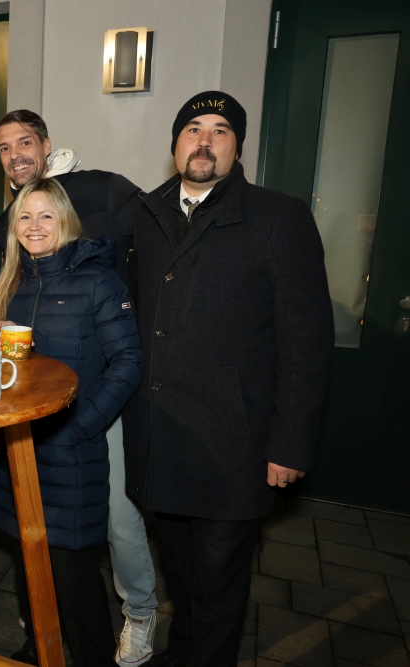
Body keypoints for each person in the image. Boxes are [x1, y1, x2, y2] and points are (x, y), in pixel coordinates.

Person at [125, 91, 333, 667]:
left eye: (220, 130)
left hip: (232, 445)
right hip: (163, 436)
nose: (204, 141)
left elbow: (306, 344)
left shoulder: (278, 217)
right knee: (181, 576)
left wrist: (289, 443)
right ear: (175, 142)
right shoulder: (148, 213)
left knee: (218, 588)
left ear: (237, 147)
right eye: (193, 128)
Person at [0, 109, 158, 664]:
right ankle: (40, 644)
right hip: (22, 444)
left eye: (46, 215)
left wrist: (84, 426)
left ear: (65, 220)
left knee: (73, 562)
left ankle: (108, 638)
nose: (35, 225)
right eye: (25, 217)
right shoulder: (13, 284)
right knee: (28, 551)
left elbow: (128, 361)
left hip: (73, 443)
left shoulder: (97, 280)